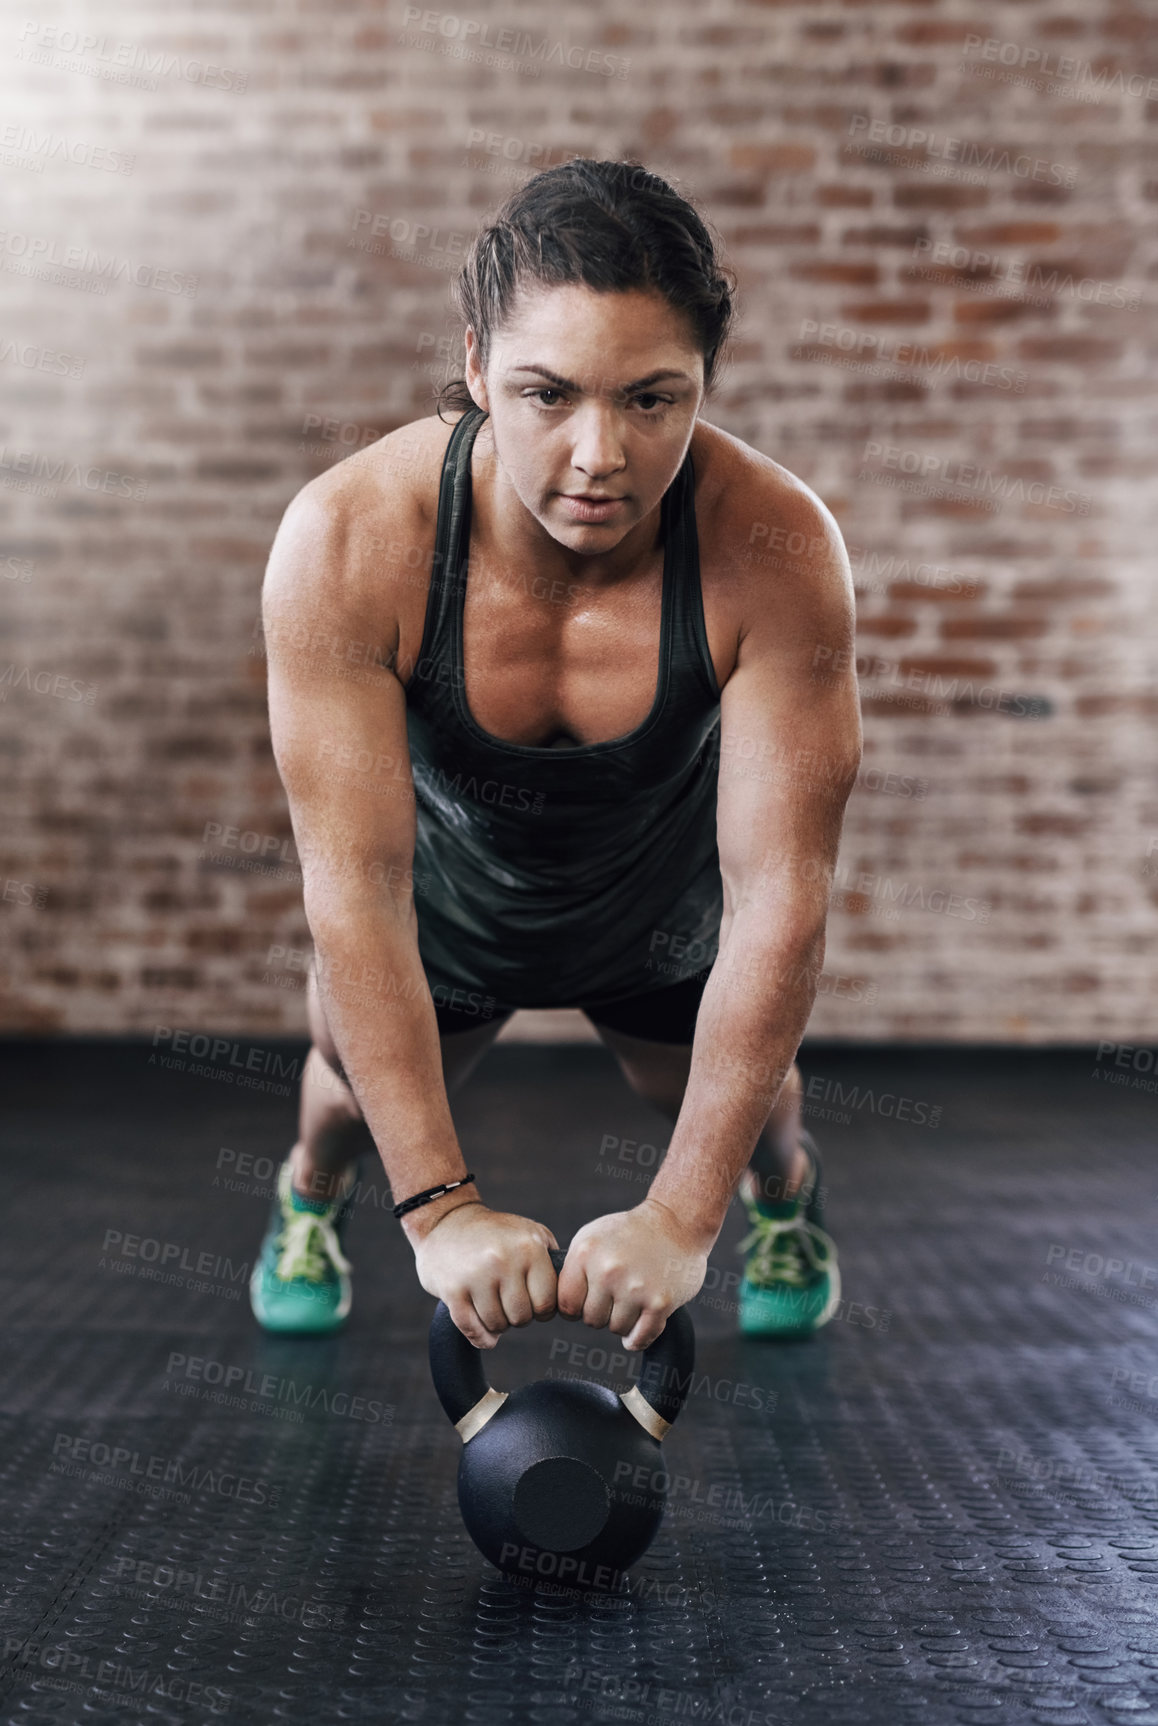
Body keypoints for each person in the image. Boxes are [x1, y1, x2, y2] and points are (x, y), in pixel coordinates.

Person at [248, 158, 861, 1354]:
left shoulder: (776, 551)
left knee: (743, 1106)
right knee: (345, 1089)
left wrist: (684, 1218)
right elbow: (356, 891)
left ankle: (784, 1199)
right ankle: (308, 1195)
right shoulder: (348, 540)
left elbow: (779, 900)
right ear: (475, 364)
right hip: (446, 908)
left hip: (656, 903)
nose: (598, 455)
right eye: (545, 394)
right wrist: (438, 1211)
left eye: (650, 399)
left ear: (704, 384)